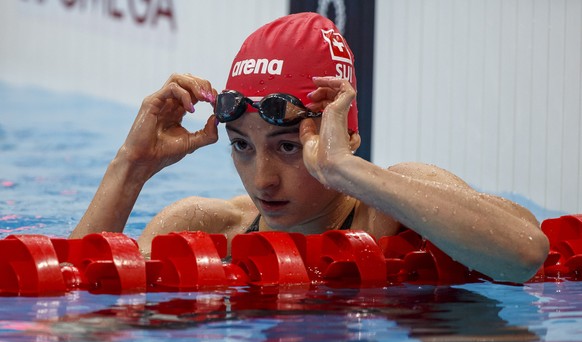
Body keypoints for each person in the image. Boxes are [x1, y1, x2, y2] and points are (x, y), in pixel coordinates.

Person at [70, 12, 549, 283]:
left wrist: (346, 170)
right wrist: (130, 168)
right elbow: (70, 321)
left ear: (348, 135)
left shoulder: (389, 212)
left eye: (287, 148)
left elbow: (524, 254)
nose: (262, 180)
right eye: (241, 146)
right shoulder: (207, 227)